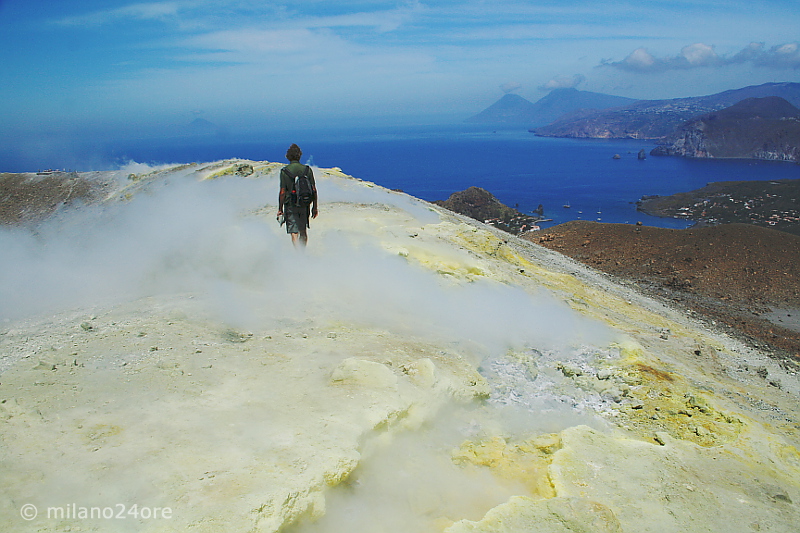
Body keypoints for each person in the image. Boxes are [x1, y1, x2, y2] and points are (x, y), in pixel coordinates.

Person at [278, 144, 318, 247]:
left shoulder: (284, 171)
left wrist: (280, 208)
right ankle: (303, 253)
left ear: (288, 156)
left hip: (290, 204)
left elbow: (282, 191)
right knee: (303, 230)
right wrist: (315, 207)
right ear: (299, 155)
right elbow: (313, 190)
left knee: (294, 232)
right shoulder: (307, 170)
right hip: (304, 204)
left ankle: (298, 256)